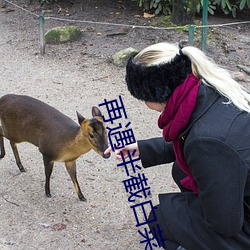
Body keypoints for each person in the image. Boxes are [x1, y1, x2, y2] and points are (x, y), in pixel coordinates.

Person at [105, 42, 250, 250]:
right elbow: (191, 139)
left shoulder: (207, 142)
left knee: (162, 218)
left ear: (154, 94)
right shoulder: (209, 88)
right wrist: (142, 149)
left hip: (241, 224)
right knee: (181, 170)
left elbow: (225, 224)